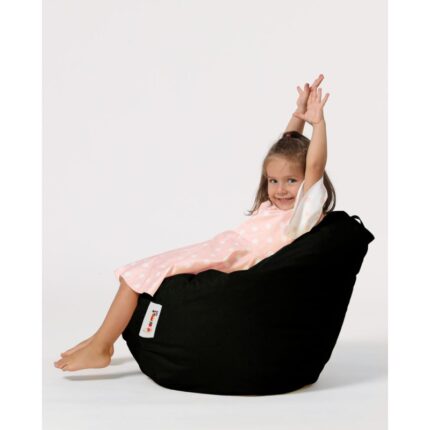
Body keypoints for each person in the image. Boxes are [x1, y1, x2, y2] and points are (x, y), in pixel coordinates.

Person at [54, 73, 336, 371]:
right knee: (137, 274)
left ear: (306, 183)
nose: (280, 190)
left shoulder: (300, 214)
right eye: (273, 181)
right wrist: (297, 116)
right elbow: (285, 150)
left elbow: (314, 164)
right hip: (220, 246)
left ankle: (101, 347)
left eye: (292, 181)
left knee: (136, 276)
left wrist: (318, 123)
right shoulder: (274, 203)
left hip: (233, 257)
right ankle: (101, 339)